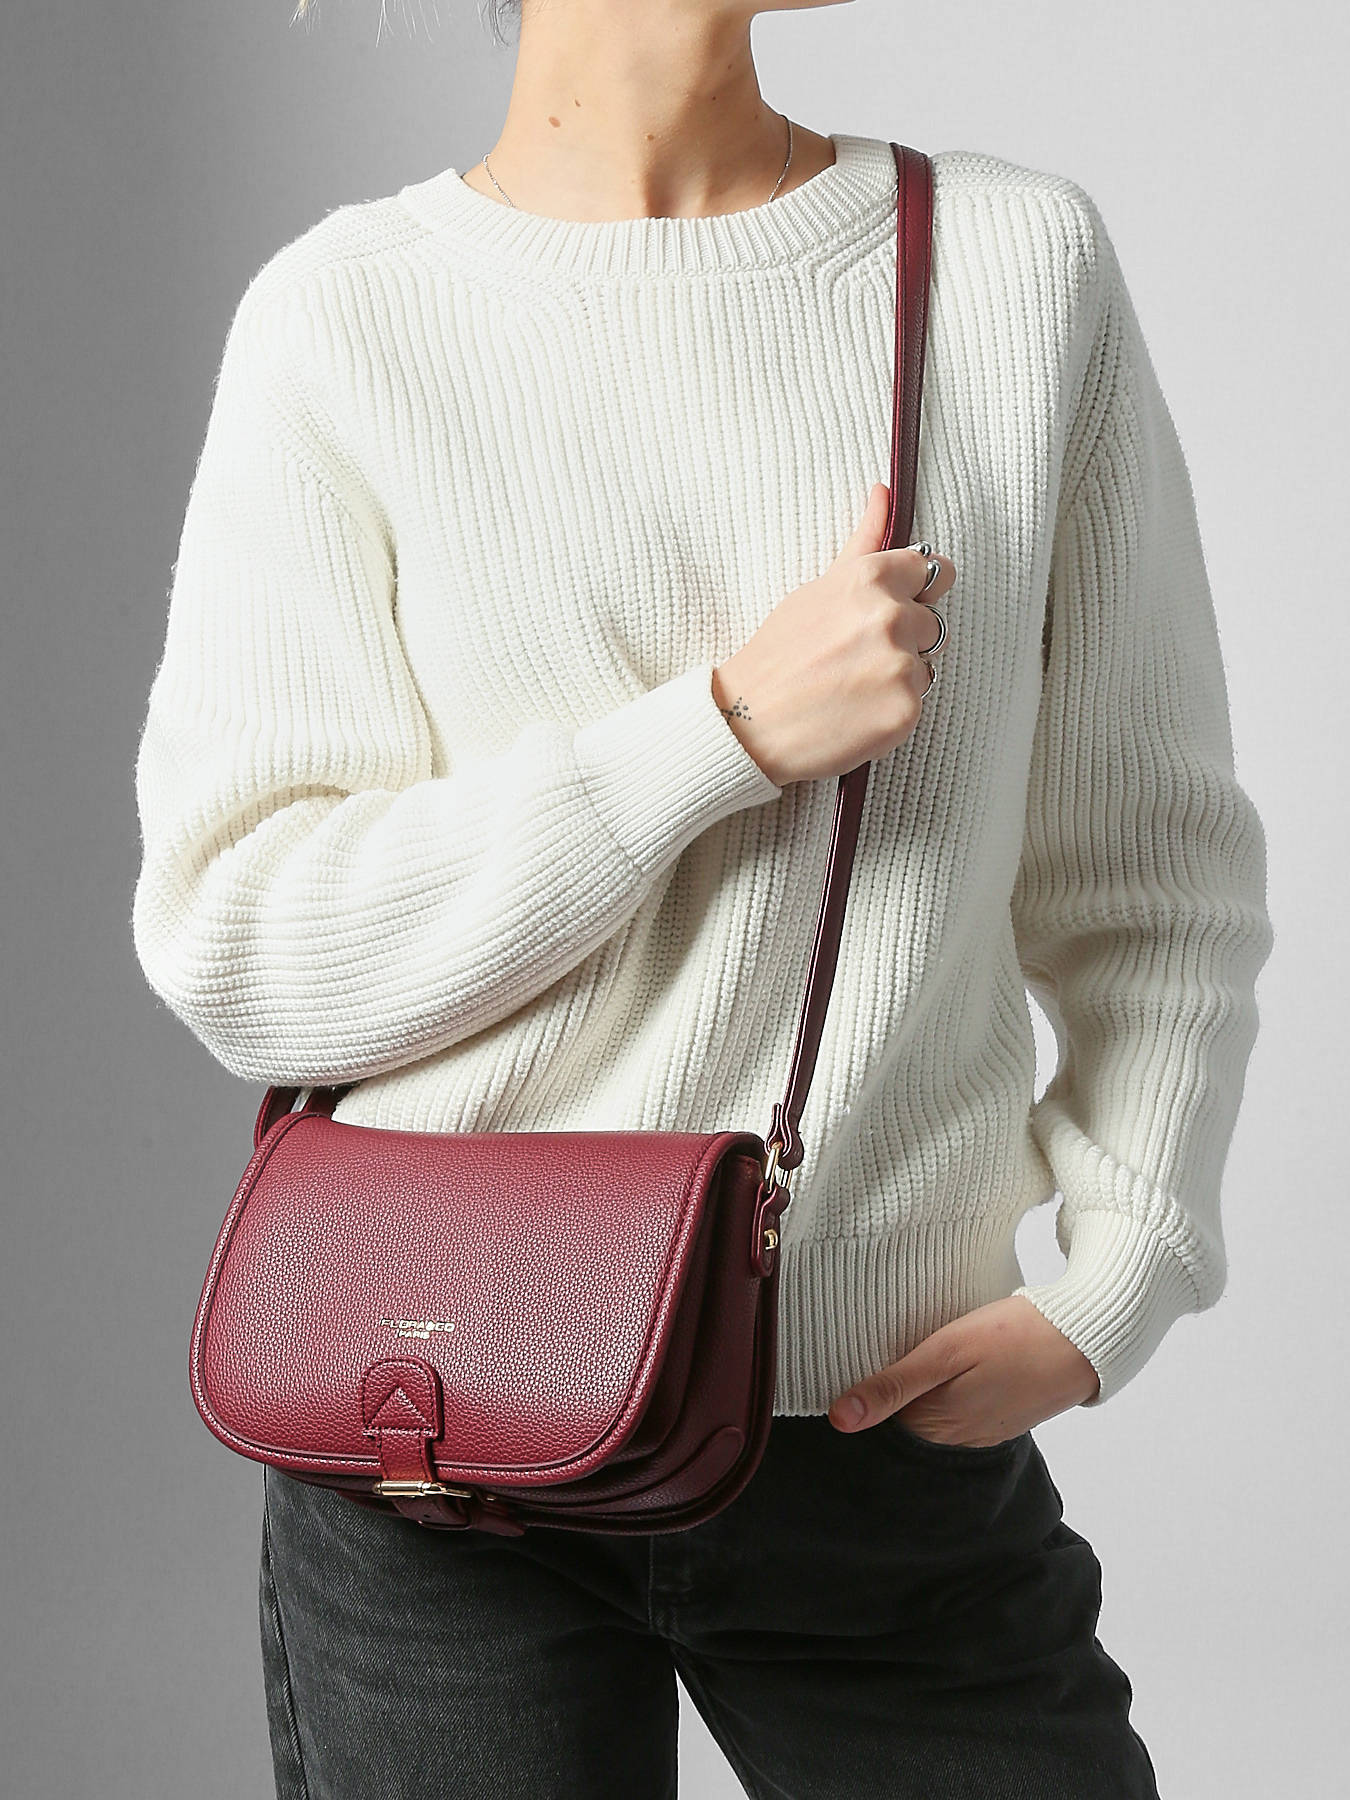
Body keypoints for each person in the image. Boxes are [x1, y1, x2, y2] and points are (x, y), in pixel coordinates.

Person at [130, 1, 1274, 1794]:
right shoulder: (347, 315)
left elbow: (1151, 858)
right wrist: (717, 735)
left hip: (879, 1431)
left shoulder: (1002, 266)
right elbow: (244, 940)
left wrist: (1123, 1268)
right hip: (436, 1436)